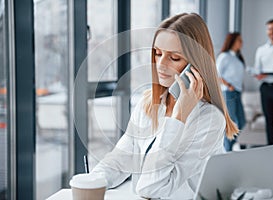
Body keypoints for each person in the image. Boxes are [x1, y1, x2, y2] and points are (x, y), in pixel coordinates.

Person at [91, 13, 238, 199]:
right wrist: (91, 182)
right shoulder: (148, 103)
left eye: (174, 58)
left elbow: (150, 187)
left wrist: (177, 118)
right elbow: (122, 158)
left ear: (195, 66)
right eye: (158, 54)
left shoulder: (209, 119)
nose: (160, 64)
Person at [216, 32, 246, 151]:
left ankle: (232, 144)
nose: (241, 43)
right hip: (229, 92)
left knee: (242, 121)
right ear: (232, 41)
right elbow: (216, 74)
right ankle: (226, 150)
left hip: (237, 92)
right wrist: (228, 85)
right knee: (231, 122)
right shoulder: (224, 56)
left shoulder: (237, 57)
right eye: (239, 40)